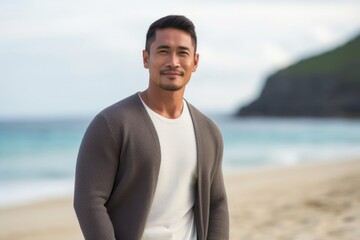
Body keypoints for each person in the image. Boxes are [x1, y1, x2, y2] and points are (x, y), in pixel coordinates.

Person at [74, 15, 229, 240]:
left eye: (182, 53)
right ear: (146, 58)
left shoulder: (208, 132)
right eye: (163, 51)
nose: (173, 62)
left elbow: (217, 203)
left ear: (195, 62)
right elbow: (89, 201)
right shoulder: (112, 124)